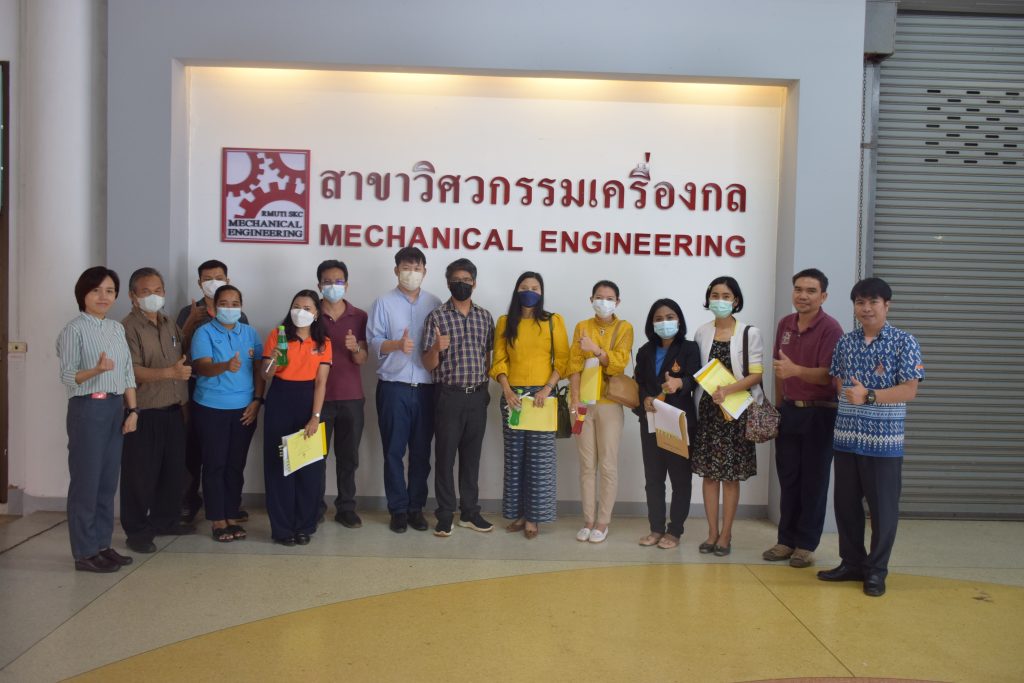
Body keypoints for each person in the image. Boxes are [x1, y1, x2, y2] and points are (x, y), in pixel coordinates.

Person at [818, 277, 924, 597]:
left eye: (873, 302)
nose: (866, 308)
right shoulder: (846, 342)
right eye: (860, 302)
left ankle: (876, 571)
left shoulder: (904, 342)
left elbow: (909, 390)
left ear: (886, 305)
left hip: (883, 442)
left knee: (882, 510)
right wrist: (852, 398)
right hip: (846, 438)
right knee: (846, 506)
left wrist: (870, 396)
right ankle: (852, 563)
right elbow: (838, 382)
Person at [57, 266, 138, 572]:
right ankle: (84, 552)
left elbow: (127, 373)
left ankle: (102, 545)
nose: (103, 297)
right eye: (96, 291)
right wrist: (97, 370)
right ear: (83, 294)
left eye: (109, 291)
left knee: (106, 482)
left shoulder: (116, 328)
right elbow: (68, 376)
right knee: (86, 483)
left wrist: (133, 411)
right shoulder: (74, 329)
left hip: (115, 407)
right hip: (87, 409)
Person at [762, 269, 844, 569]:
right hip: (790, 411)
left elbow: (830, 374)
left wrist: (796, 371)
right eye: (798, 289)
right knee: (789, 479)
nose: (803, 296)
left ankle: (806, 545)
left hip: (820, 412)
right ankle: (785, 540)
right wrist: (777, 407)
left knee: (814, 481)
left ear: (823, 296)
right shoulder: (785, 324)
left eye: (811, 291)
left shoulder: (830, 328)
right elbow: (779, 369)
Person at [119, 267, 194, 555]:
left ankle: (166, 521)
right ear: (133, 296)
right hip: (143, 412)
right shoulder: (127, 328)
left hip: (173, 410)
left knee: (171, 472)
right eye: (146, 291)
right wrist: (169, 373)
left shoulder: (169, 322)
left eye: (158, 290)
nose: (153, 296)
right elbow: (131, 371)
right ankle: (137, 531)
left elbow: (181, 356)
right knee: (139, 476)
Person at [490, 272, 569, 539]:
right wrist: (506, 388)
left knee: (539, 460)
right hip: (513, 397)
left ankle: (535, 517)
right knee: (515, 459)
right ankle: (519, 514)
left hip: (541, 399)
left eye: (535, 288)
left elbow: (563, 360)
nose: (530, 291)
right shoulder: (505, 322)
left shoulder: (553, 321)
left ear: (541, 292)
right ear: (517, 290)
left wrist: (547, 389)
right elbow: (499, 359)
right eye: (524, 287)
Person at [368, 247, 441, 534]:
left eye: (417, 268)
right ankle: (398, 509)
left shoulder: (435, 303)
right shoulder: (383, 302)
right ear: (396, 270)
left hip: (426, 389)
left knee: (421, 453)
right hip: (393, 388)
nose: (412, 273)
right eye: (406, 268)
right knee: (393, 452)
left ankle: (416, 508)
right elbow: (374, 341)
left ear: (425, 271)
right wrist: (397, 345)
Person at [422, 258, 495, 537]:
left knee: (471, 458)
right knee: (445, 457)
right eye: (456, 280)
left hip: (477, 396)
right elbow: (428, 364)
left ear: (474, 283)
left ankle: (470, 512)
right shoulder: (437, 317)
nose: (461, 284)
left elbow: (487, 355)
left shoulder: (485, 317)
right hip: (448, 396)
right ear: (448, 283)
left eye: (466, 280)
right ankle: (444, 514)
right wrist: (436, 349)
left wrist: (484, 387)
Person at [692, 276, 763, 557]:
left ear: (735, 301)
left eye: (726, 296)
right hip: (708, 412)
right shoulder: (702, 332)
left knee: (730, 478)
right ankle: (711, 533)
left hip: (735, 412)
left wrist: (728, 390)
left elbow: (756, 374)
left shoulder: (748, 333)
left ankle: (726, 534)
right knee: (710, 476)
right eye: (715, 295)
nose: (719, 301)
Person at [177, 259, 250, 524]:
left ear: (227, 280)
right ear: (199, 283)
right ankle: (191, 502)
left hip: (234, 394)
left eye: (218, 277)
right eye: (207, 278)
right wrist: (190, 323)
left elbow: (247, 355)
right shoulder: (190, 312)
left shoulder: (241, 319)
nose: (213, 282)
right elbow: (177, 351)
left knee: (230, 458)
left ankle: (228, 506)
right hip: (198, 387)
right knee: (197, 451)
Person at [190, 284, 263, 543]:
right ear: (214, 306)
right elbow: (202, 367)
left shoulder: (250, 332)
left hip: (245, 409)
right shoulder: (204, 332)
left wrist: (257, 401)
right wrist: (225, 366)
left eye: (235, 304)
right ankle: (217, 519)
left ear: (241, 306)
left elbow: (259, 370)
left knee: (235, 464)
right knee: (215, 464)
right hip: (211, 408)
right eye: (224, 303)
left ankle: (231, 513)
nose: (229, 308)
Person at [261, 290, 333, 546]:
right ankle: (282, 529)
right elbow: (266, 374)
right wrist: (273, 360)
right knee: (279, 466)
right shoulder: (277, 335)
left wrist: (315, 417)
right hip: (280, 398)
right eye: (296, 306)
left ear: (316, 314)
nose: (300, 312)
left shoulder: (323, 342)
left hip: (309, 401)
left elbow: (321, 383)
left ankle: (305, 526)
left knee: (309, 467)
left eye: (307, 308)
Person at [567, 280, 634, 544]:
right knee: (586, 465)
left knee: (607, 464)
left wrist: (595, 350)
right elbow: (573, 365)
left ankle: (603, 521)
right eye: (599, 296)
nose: (603, 302)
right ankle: (588, 520)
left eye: (609, 298)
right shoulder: (582, 326)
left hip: (609, 405)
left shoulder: (624, 328)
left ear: (617, 302)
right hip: (583, 404)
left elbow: (618, 364)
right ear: (591, 299)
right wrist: (574, 400)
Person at [634, 298, 700, 550]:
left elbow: (695, 377)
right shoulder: (645, 351)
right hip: (651, 421)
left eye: (670, 317)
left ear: (679, 320)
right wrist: (645, 398)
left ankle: (675, 531)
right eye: (659, 319)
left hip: (678, 421)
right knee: (653, 478)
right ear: (651, 323)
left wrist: (680, 383)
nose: (665, 322)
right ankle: (656, 528)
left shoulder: (690, 348)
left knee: (680, 479)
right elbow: (639, 382)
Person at [315, 259, 368, 528]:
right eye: (327, 281)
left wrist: (354, 348)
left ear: (346, 285)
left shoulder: (359, 316)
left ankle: (346, 507)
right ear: (319, 285)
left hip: (351, 398)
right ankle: (315, 506)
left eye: (338, 281)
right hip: (317, 399)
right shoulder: (308, 312)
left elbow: (362, 359)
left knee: (349, 458)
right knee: (316, 457)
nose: (333, 286)